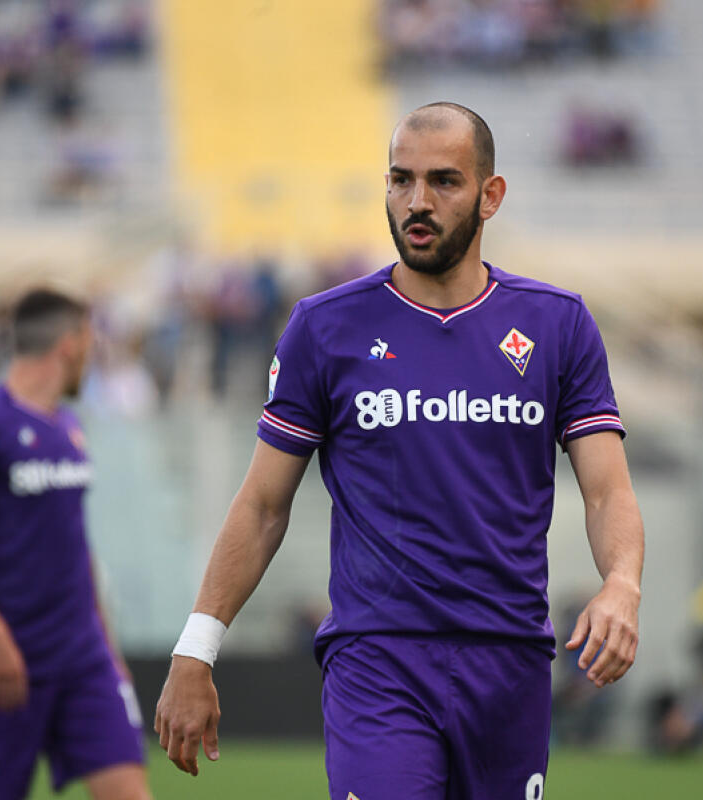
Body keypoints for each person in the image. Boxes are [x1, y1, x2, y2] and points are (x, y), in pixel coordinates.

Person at [155, 102, 645, 798]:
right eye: (400, 179)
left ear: (490, 195)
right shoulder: (324, 327)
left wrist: (621, 584)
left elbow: (607, 492)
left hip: (510, 665)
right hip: (379, 662)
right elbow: (262, 504)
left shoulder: (557, 325)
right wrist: (196, 648)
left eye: (444, 181)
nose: (417, 201)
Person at [0, 289, 150, 800]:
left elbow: (75, 543)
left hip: (83, 659)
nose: (91, 356)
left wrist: (108, 649)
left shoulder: (70, 428)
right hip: (7, 660)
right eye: (89, 342)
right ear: (70, 344)